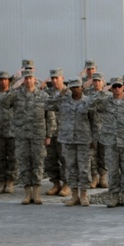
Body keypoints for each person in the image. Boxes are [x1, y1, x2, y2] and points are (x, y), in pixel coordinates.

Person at [1, 68, 55, 205]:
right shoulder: (16, 95)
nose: (28, 80)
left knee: (38, 163)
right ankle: (27, 193)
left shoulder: (43, 95)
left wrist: (49, 135)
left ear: (35, 79)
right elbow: (3, 103)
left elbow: (50, 117)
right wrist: (14, 86)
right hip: (21, 136)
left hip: (38, 135)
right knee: (24, 164)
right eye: (25, 78)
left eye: (30, 78)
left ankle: (36, 193)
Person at [91, 79, 124, 208]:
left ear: (123, 87)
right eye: (114, 86)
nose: (116, 89)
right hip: (110, 142)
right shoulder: (104, 103)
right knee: (113, 170)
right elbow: (90, 104)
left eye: (118, 86)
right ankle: (114, 195)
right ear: (111, 88)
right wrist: (102, 92)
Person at [48, 79, 95, 206]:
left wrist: (94, 139)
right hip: (68, 140)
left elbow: (94, 122)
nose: (75, 90)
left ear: (82, 88)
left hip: (84, 139)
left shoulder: (88, 101)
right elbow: (48, 105)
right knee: (71, 167)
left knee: (84, 168)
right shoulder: (63, 101)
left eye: (77, 87)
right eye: (72, 87)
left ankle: (84, 195)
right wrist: (60, 94)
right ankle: (74, 195)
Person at [42, 68, 70, 198]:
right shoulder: (48, 93)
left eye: (56, 78)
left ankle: (66, 184)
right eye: (52, 78)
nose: (54, 81)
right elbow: (46, 108)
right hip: (51, 132)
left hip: (65, 132)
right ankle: (56, 183)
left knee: (65, 159)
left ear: (62, 78)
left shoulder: (69, 93)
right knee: (50, 160)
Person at [84, 73, 109, 189]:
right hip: (92, 130)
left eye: (99, 81)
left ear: (103, 82)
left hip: (105, 130)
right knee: (92, 155)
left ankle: (103, 176)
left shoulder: (109, 95)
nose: (97, 83)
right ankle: (94, 176)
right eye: (95, 81)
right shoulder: (88, 95)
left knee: (104, 155)